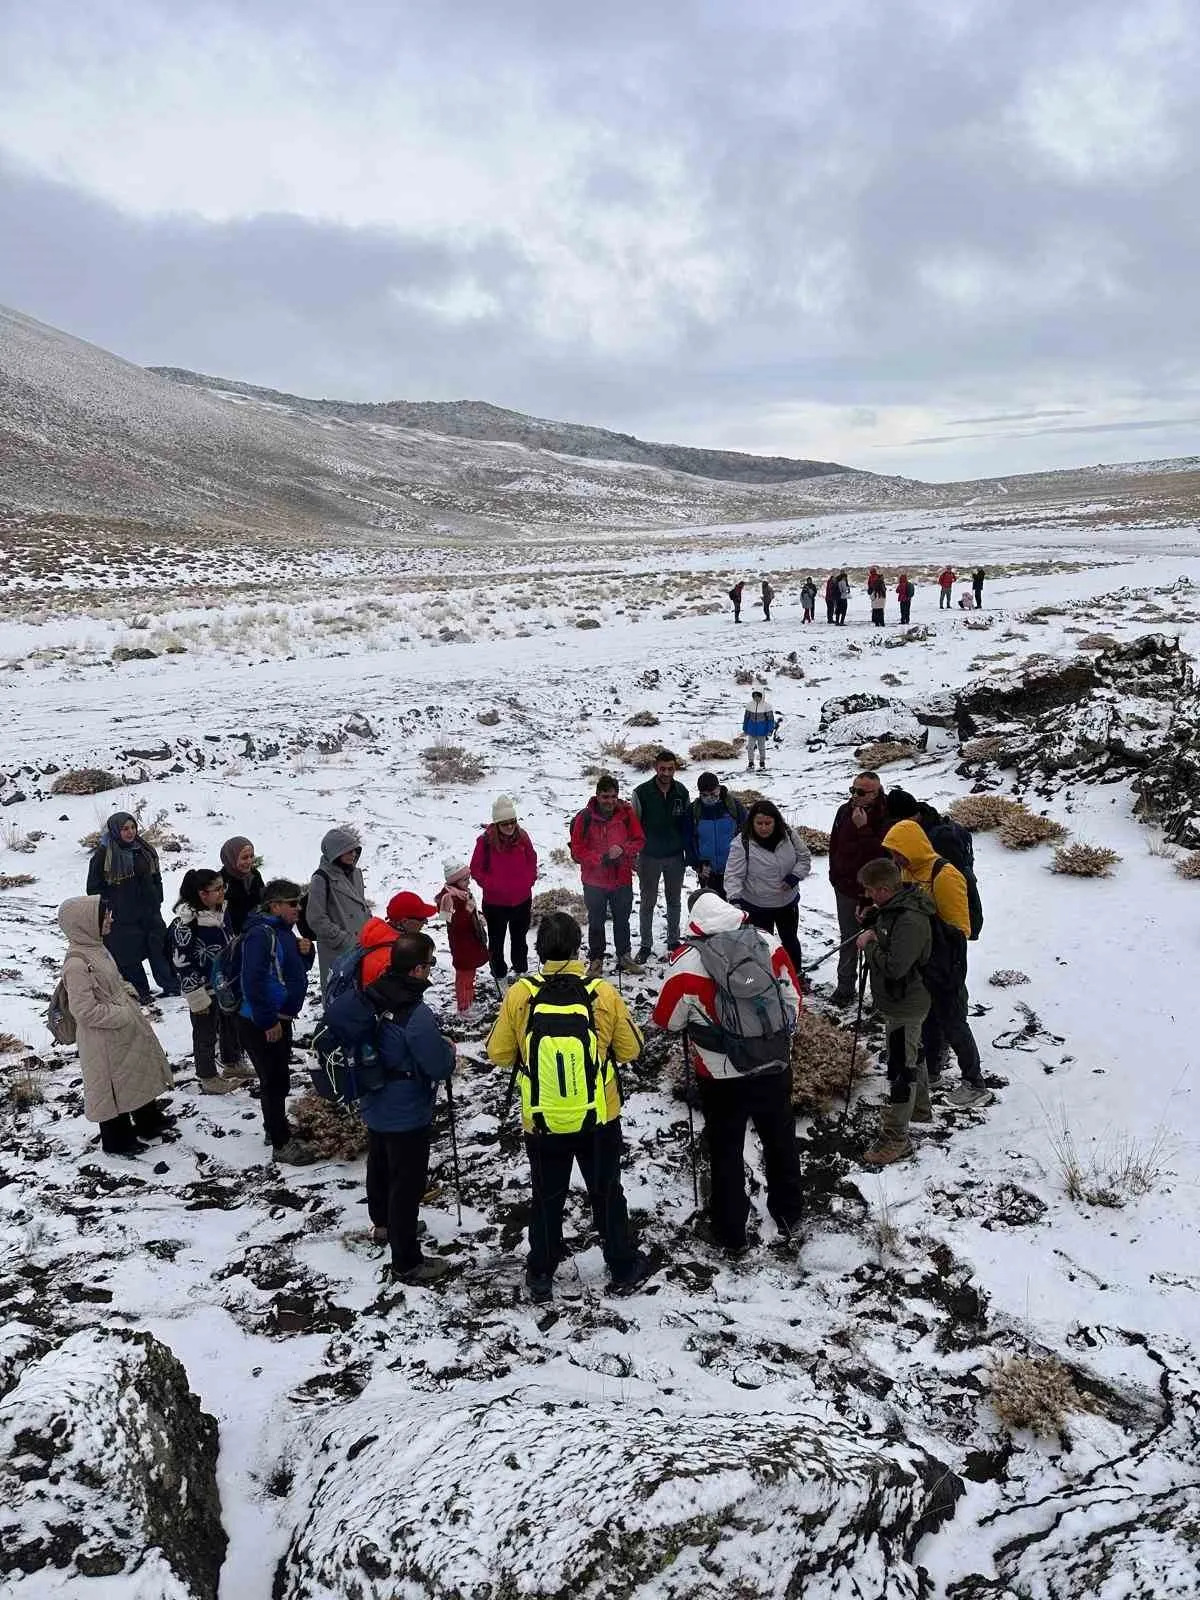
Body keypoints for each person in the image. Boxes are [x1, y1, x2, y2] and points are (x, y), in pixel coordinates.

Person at [486, 912, 653, 1303]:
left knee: (546, 1195)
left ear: (539, 950)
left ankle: (542, 1270)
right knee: (607, 1191)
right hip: (599, 1115)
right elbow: (632, 1049)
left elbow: (497, 1052)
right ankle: (622, 1265)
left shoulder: (520, 994)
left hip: (542, 1118)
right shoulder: (602, 992)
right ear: (579, 947)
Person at [653, 893, 804, 1255]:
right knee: (781, 1139)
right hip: (773, 1064)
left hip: (720, 1077)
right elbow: (794, 998)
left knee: (725, 1150)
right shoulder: (768, 943)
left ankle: (730, 1230)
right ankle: (788, 1214)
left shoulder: (686, 962)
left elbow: (666, 1020)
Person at [358, 931, 456, 1285]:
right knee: (406, 1182)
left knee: (380, 1163)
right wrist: (448, 1051)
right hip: (406, 1108)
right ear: (416, 969)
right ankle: (407, 1261)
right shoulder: (415, 1014)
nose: (431, 969)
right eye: (429, 963)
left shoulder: (373, 992)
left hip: (374, 1096)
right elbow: (438, 1065)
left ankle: (382, 1224)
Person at [56, 895, 176, 1155]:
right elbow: (83, 1010)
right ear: (87, 922)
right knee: (110, 1089)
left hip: (122, 1028)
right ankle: (117, 1141)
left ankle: (148, 1122)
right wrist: (121, 1014)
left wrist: (128, 992)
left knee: (136, 1074)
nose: (111, 919)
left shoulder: (97, 947)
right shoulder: (76, 964)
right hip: (104, 1039)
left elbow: (114, 980)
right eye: (105, 915)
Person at [881, 819, 989, 1107]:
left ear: (913, 847)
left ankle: (975, 1082)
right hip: (922, 961)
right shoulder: (909, 870)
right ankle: (933, 1068)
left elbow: (960, 927)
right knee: (927, 1017)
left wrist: (922, 927)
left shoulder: (945, 875)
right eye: (892, 853)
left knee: (953, 1020)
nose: (895, 859)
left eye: (898, 852)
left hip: (946, 961)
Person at [855, 858, 935, 1166]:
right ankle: (920, 1109)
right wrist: (873, 925)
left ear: (886, 889)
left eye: (871, 890)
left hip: (907, 1002)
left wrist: (869, 946)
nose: (868, 894)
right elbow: (888, 935)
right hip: (901, 1001)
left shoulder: (911, 920)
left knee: (901, 1068)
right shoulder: (894, 909)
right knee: (913, 1054)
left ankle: (895, 1139)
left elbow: (896, 967)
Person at [238, 878, 318, 1165]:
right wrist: (269, 1021)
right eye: (293, 903)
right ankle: (280, 1142)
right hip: (262, 1022)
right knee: (273, 1081)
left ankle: (276, 1127)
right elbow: (254, 981)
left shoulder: (281, 931)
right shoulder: (262, 934)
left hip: (276, 1019)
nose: (299, 908)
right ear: (274, 905)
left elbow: (290, 970)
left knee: (277, 1078)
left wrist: (308, 953)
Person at [168, 868, 254, 1094]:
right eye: (216, 889)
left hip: (226, 983)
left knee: (231, 1026)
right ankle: (207, 1076)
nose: (221, 893)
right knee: (205, 1033)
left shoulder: (222, 912)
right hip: (203, 988)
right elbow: (182, 962)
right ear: (201, 894)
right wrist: (196, 996)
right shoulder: (186, 924)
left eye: (222, 887)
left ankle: (232, 1062)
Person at [85, 811, 178, 1002]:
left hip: (150, 911)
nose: (130, 832)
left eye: (133, 827)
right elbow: (93, 888)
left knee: (158, 949)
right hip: (122, 917)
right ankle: (140, 993)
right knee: (128, 956)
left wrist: (157, 896)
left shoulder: (144, 849)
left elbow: (156, 876)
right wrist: (112, 905)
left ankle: (171, 987)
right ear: (115, 830)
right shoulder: (104, 855)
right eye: (125, 829)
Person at [571, 774, 645, 978]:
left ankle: (624, 956)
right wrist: (600, 858)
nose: (609, 801)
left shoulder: (627, 813)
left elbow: (639, 840)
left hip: (621, 878)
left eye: (613, 796)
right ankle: (596, 960)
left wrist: (622, 849)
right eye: (605, 797)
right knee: (596, 921)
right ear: (597, 796)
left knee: (622, 919)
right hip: (594, 881)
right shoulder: (584, 818)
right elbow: (577, 850)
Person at [722, 800, 810, 973]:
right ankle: (766, 978)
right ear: (751, 823)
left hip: (786, 902)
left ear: (776, 822)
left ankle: (796, 974)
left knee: (790, 940)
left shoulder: (789, 835)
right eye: (759, 823)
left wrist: (794, 877)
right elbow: (733, 875)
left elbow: (804, 857)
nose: (763, 828)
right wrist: (735, 900)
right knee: (762, 945)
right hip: (757, 905)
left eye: (768, 823)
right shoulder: (742, 843)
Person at [827, 771, 890, 1005]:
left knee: (875, 941)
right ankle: (845, 988)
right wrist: (834, 874)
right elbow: (835, 844)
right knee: (848, 938)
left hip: (875, 893)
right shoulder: (844, 811)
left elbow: (882, 855)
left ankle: (879, 997)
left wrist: (863, 828)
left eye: (862, 792)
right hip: (844, 887)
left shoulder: (886, 816)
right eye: (853, 790)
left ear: (876, 792)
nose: (855, 795)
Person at [470, 795, 537, 989]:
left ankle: (521, 970)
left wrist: (528, 881)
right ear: (497, 823)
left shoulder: (523, 837)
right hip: (495, 903)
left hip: (522, 899)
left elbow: (532, 859)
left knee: (520, 939)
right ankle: (499, 974)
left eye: (513, 822)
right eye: (505, 823)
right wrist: (493, 885)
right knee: (496, 942)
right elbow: (476, 869)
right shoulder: (485, 842)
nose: (509, 826)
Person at [632, 750, 691, 964]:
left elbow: (686, 824)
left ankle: (673, 942)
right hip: (649, 856)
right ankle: (646, 945)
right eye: (662, 768)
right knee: (647, 902)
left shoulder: (682, 792)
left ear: (675, 768)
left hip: (675, 856)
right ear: (655, 767)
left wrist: (689, 852)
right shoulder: (641, 792)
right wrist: (634, 855)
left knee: (674, 901)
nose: (666, 772)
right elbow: (634, 826)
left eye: (670, 768)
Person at [306, 825, 369, 988]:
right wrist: (343, 939)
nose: (353, 854)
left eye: (355, 850)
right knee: (338, 992)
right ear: (336, 852)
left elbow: (362, 906)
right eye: (348, 851)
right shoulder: (321, 878)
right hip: (338, 949)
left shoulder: (356, 874)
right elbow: (316, 919)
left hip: (361, 944)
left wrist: (371, 930)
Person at [438, 859, 490, 1012]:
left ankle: (469, 1001)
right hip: (462, 945)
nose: (469, 881)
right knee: (464, 977)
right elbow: (452, 923)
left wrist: (477, 915)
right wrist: (468, 911)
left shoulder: (462, 894)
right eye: (465, 879)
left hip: (470, 942)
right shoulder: (449, 898)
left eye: (469, 878)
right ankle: (464, 1007)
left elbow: (469, 914)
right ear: (455, 880)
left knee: (470, 973)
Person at [359, 890, 439, 987]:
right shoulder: (392, 957)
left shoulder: (380, 937)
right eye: (421, 919)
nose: (425, 922)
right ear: (404, 921)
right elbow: (395, 997)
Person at [687, 774, 748, 899]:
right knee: (714, 911)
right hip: (708, 872)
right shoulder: (694, 810)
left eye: (713, 793)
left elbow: (747, 833)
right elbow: (688, 840)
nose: (710, 798)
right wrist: (697, 865)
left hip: (733, 870)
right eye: (705, 795)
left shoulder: (733, 806)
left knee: (736, 909)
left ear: (719, 788)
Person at [220, 836, 264, 936]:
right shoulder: (220, 882)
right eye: (244, 857)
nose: (249, 861)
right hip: (232, 938)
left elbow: (263, 900)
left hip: (255, 933)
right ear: (231, 858)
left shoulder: (254, 874)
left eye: (251, 856)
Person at [742, 690, 776, 772]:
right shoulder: (749, 705)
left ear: (761, 696)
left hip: (762, 731)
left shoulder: (767, 706)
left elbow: (770, 720)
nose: (756, 698)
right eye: (754, 697)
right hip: (751, 730)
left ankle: (762, 763)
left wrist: (770, 730)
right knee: (750, 747)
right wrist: (745, 728)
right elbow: (746, 718)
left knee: (761, 748)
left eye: (757, 697)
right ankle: (751, 763)